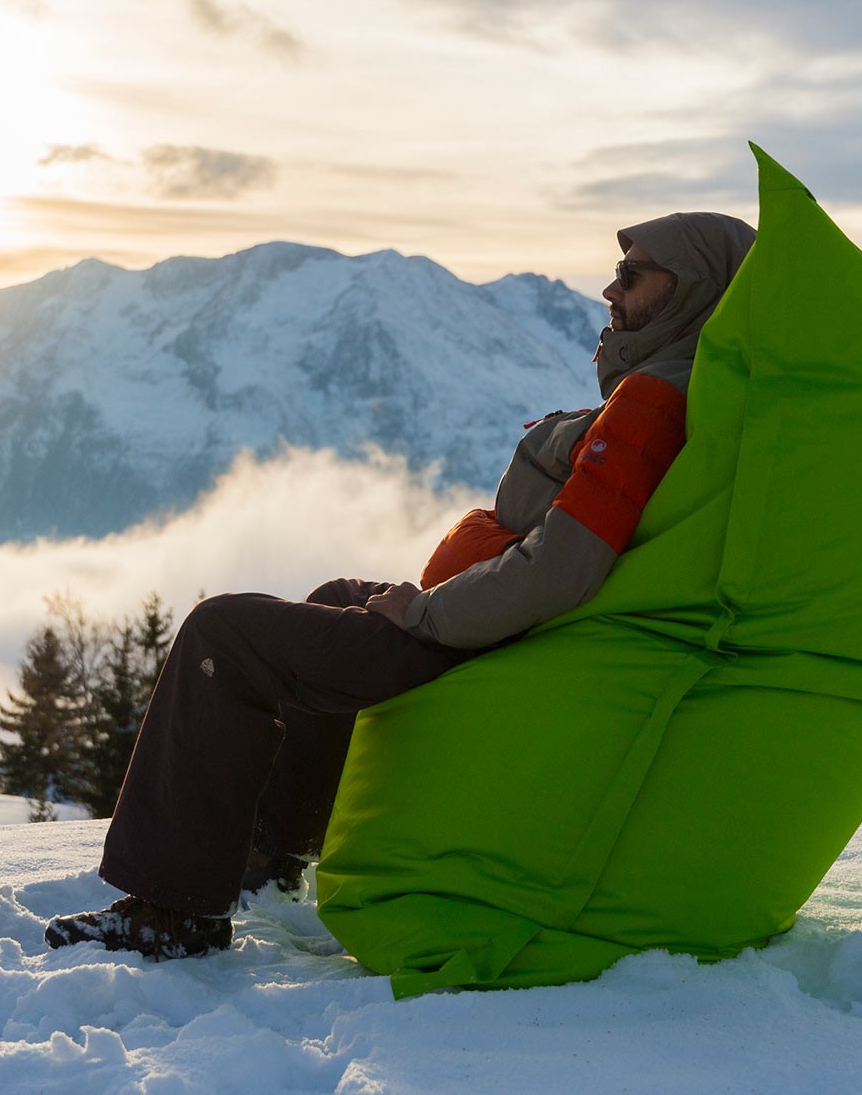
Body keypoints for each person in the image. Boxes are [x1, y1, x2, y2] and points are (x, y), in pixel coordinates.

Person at [45, 211, 757, 959]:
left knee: (221, 634)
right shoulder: (679, 382)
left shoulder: (650, 401)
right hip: (489, 625)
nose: (610, 290)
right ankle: (271, 863)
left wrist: (424, 614)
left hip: (484, 640)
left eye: (634, 275)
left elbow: (560, 569)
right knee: (333, 599)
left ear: (694, 288)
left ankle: (173, 911)